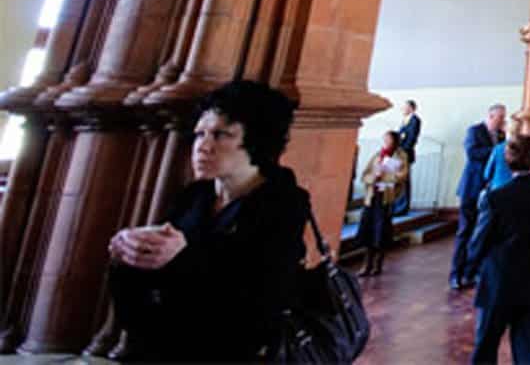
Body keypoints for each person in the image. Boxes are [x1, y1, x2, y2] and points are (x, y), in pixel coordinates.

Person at [107, 80, 310, 361]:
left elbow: (261, 303)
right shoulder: (193, 196)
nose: (202, 146)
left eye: (220, 135)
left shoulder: (284, 203)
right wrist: (128, 256)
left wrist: (182, 258)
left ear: (258, 140)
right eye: (199, 134)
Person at [466, 134, 530, 365]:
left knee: (486, 347)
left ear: (507, 160)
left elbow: (478, 243)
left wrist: (473, 268)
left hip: (499, 280)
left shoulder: (495, 198)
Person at [452, 103, 506, 290]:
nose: (502, 122)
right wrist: (498, 151)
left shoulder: (500, 136)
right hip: (472, 188)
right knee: (465, 231)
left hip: (490, 190)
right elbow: (472, 153)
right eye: (500, 118)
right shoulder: (475, 131)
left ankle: (473, 271)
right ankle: (456, 274)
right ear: (491, 116)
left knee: (482, 233)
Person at [357, 130, 410, 277]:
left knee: (381, 232)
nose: (386, 142)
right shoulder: (377, 155)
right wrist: (374, 177)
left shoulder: (401, 156)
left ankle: (378, 264)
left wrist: (386, 176)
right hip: (372, 196)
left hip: (386, 197)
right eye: (384, 139)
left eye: (389, 140)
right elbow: (365, 175)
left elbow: (402, 176)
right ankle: (366, 264)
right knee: (368, 230)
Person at [394, 100, 422, 215]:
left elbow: (411, 138)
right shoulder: (405, 120)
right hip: (400, 153)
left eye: (405, 107)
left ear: (411, 108)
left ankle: (402, 206)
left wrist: (402, 152)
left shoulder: (415, 120)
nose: (403, 109)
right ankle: (397, 205)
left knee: (404, 181)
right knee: (399, 180)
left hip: (405, 154)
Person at [482, 117, 521, 195]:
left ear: (505, 129)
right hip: (517, 189)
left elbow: (487, 173)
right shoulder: (523, 148)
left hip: (498, 187)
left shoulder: (498, 148)